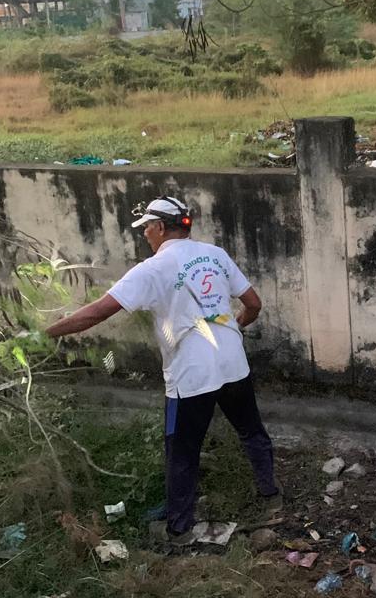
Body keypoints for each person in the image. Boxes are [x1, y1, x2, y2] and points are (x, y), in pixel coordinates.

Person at [45, 196, 280, 550]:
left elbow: (96, 313)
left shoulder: (152, 269)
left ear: (158, 227)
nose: (144, 235)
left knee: (182, 451)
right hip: (233, 362)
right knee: (251, 431)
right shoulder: (215, 255)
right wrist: (235, 328)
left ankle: (180, 530)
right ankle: (271, 495)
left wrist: (45, 333)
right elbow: (254, 304)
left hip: (191, 375)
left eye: (146, 229)